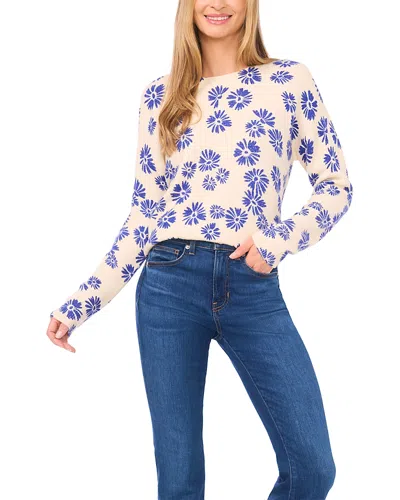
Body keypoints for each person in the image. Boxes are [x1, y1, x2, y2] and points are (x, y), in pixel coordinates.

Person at [47, 0, 353, 498]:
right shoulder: (161, 96)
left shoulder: (289, 81)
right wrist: (80, 303)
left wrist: (278, 239)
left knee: (313, 467)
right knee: (179, 482)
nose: (217, 3)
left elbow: (335, 187)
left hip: (252, 285)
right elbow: (143, 216)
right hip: (168, 286)